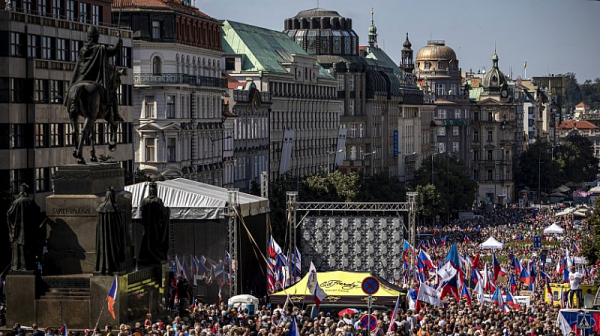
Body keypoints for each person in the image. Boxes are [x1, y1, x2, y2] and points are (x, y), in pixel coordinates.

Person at [65, 25, 123, 122]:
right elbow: (113, 50)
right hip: (95, 80)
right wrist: (119, 40)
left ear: (88, 38)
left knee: (72, 89)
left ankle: (70, 101)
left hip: (80, 79)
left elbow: (79, 67)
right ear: (96, 38)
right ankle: (115, 115)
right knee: (112, 94)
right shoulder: (100, 48)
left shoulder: (82, 50)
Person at [6, 183, 42, 271]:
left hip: (18, 232)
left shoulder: (16, 202)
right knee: (29, 249)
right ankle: (28, 266)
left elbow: (9, 214)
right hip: (29, 231)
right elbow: (38, 212)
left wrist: (12, 227)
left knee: (19, 250)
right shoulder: (30, 202)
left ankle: (18, 266)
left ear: (21, 192)